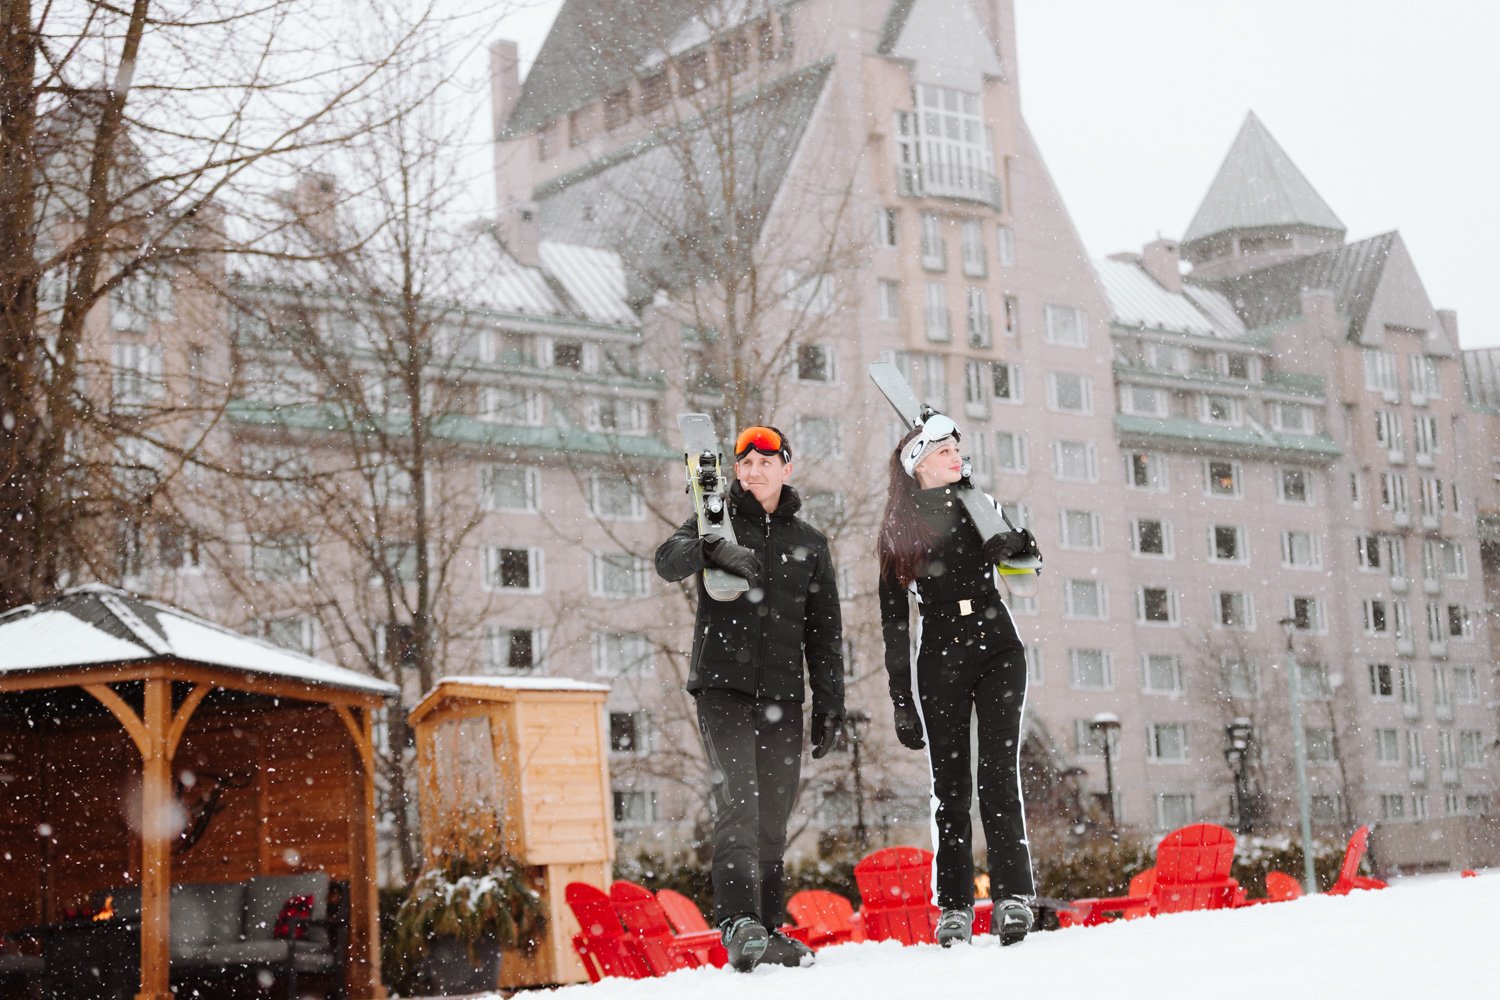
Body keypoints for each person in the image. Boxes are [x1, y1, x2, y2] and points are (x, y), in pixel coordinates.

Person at [655, 423, 845, 972]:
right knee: (739, 798)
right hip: (723, 685)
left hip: (784, 694)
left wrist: (830, 702)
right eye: (746, 463)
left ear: (787, 468)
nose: (755, 471)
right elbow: (668, 560)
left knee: (774, 814)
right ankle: (738, 921)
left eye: (767, 462)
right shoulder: (715, 520)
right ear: (735, 470)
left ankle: (769, 927)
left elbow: (824, 631)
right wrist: (711, 548)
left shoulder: (809, 543)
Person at [876, 413, 1042, 947]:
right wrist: (901, 697)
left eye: (956, 448)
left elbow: (1028, 580)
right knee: (949, 786)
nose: (956, 456)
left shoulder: (982, 503)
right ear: (918, 462)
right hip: (940, 651)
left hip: (997, 644)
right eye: (944, 450)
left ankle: (1014, 898)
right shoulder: (900, 529)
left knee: (998, 775)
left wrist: (1017, 545)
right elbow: (894, 621)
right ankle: (954, 906)